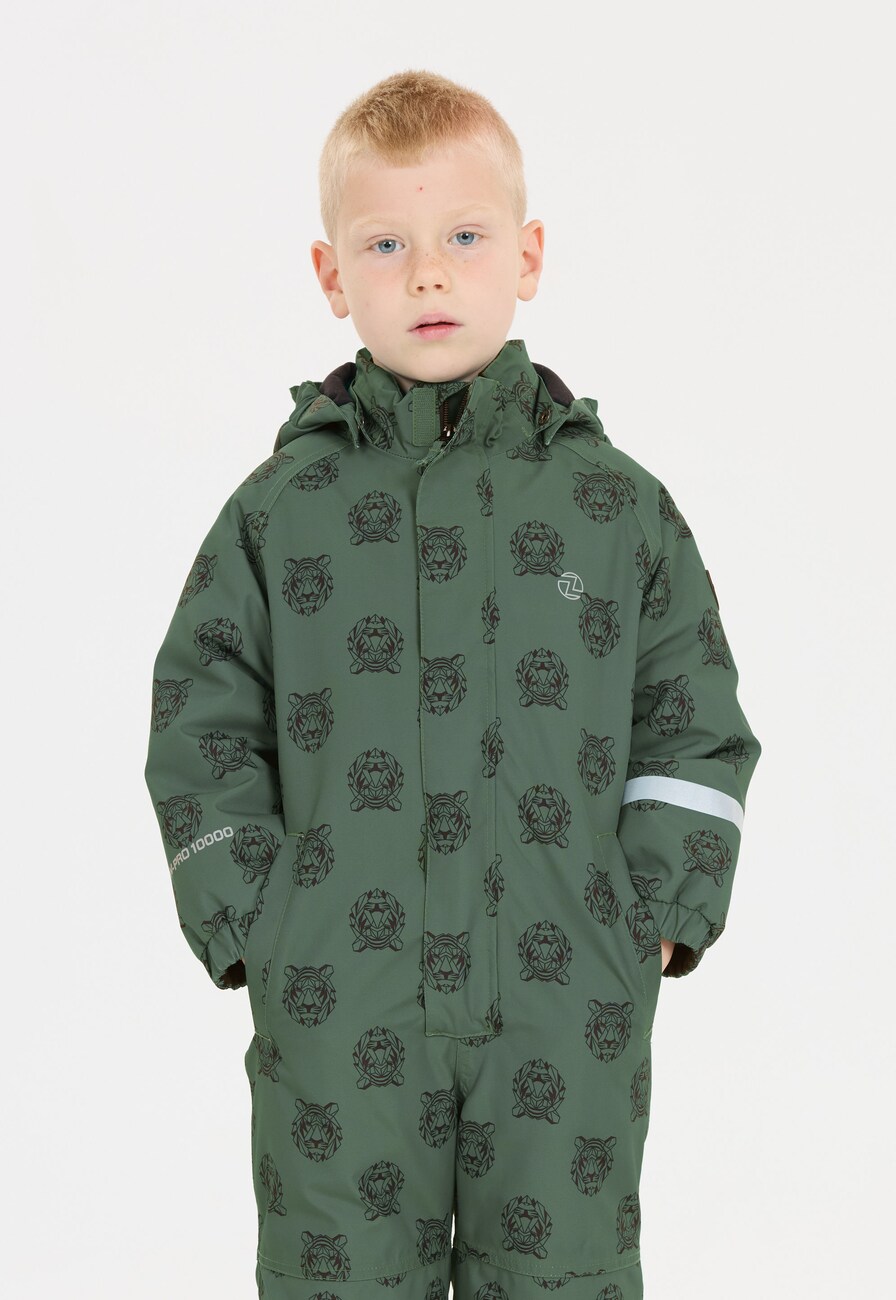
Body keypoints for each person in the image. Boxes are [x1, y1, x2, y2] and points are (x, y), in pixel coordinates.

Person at [144, 68, 761, 1300]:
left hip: (566, 995)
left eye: (464, 238)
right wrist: (257, 918)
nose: (428, 274)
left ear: (526, 257)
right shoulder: (281, 512)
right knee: (338, 1278)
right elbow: (201, 713)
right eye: (387, 244)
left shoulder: (614, 508)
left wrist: (650, 913)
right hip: (340, 1000)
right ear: (332, 275)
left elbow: (692, 717)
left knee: (563, 1277)